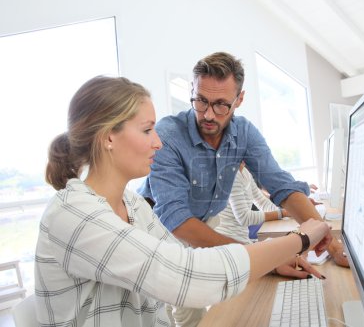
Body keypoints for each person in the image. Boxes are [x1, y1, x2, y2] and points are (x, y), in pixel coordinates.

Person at [35, 75, 332, 327]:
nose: (158, 142)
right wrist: (300, 239)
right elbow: (184, 278)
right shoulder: (73, 213)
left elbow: (189, 260)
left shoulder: (134, 206)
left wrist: (270, 261)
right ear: (107, 137)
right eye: (147, 130)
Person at [139, 51, 348, 267]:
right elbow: (175, 218)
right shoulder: (168, 135)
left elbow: (283, 187)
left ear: (239, 99)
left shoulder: (244, 132)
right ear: (192, 91)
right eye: (201, 101)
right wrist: (262, 258)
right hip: (156, 233)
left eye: (221, 104)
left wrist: (332, 245)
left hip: (199, 230)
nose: (209, 115)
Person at [213, 161, 289, 243]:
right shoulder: (231, 175)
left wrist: (287, 212)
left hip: (242, 238)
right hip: (230, 241)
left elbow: (262, 202)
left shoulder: (245, 172)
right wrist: (282, 213)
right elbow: (244, 218)